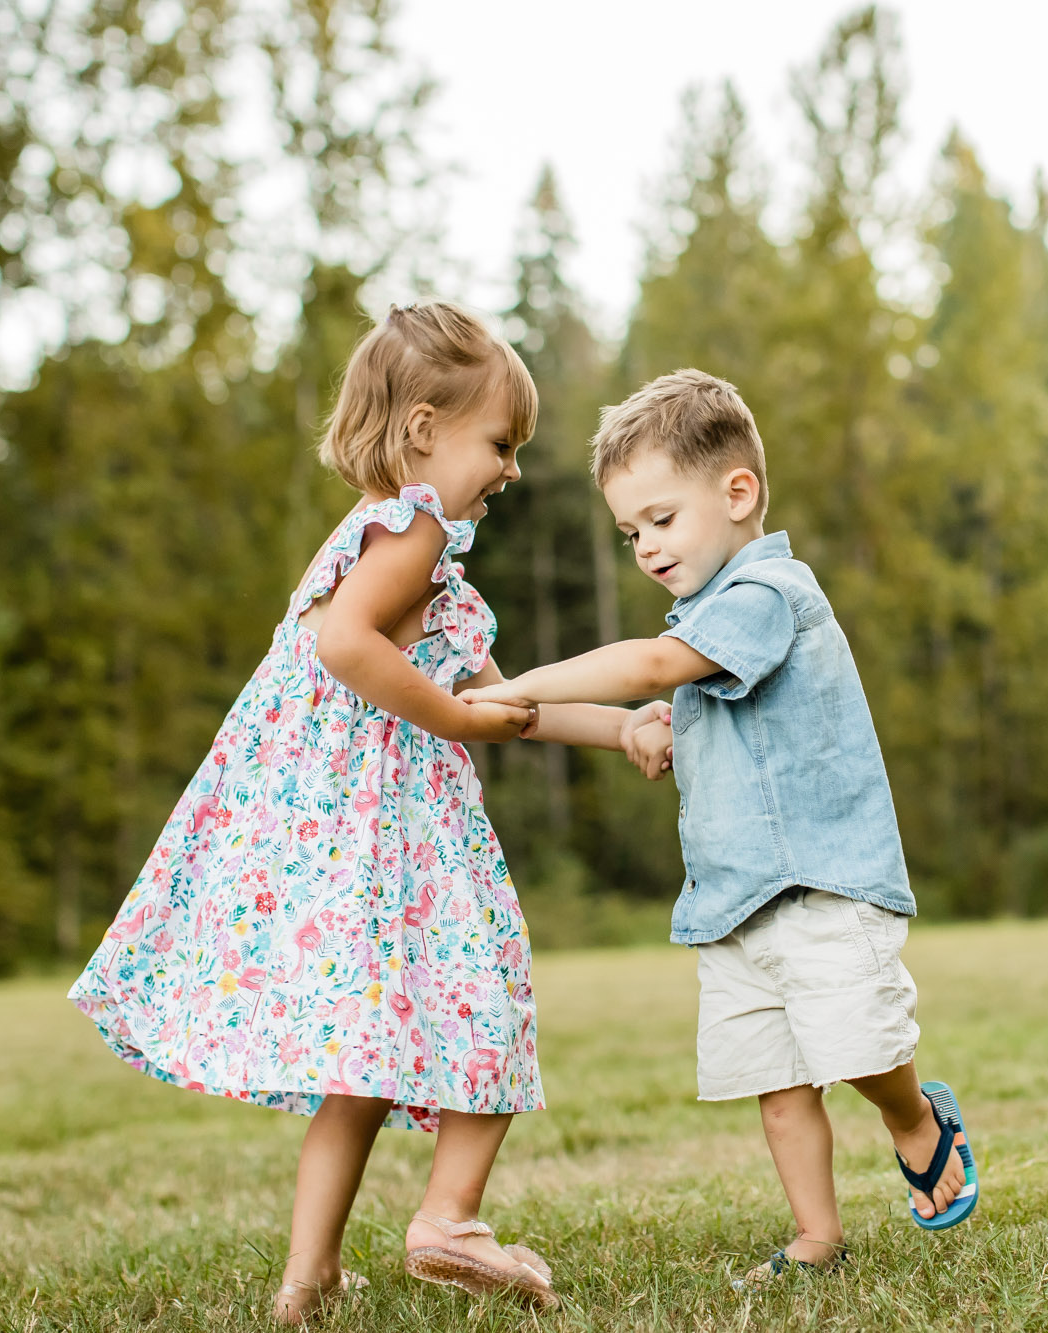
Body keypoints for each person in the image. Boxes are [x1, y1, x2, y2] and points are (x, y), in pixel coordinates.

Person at [68, 302, 665, 1321]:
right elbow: (350, 646)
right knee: (487, 985)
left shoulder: (400, 550)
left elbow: (503, 701)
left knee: (366, 1053)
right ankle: (450, 1218)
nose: (511, 469)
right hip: (383, 821)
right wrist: (449, 720)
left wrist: (617, 729)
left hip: (336, 832)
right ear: (425, 428)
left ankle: (306, 1280)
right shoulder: (416, 525)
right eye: (500, 443)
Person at [462, 368, 979, 1288]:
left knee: (858, 1047)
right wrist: (665, 729)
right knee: (776, 1084)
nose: (646, 548)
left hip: (824, 880)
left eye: (662, 519)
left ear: (738, 492)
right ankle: (816, 1234)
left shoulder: (771, 591)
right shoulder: (707, 625)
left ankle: (915, 1119)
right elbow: (700, 696)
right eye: (629, 533)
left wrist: (523, 684)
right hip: (735, 898)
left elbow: (656, 661)